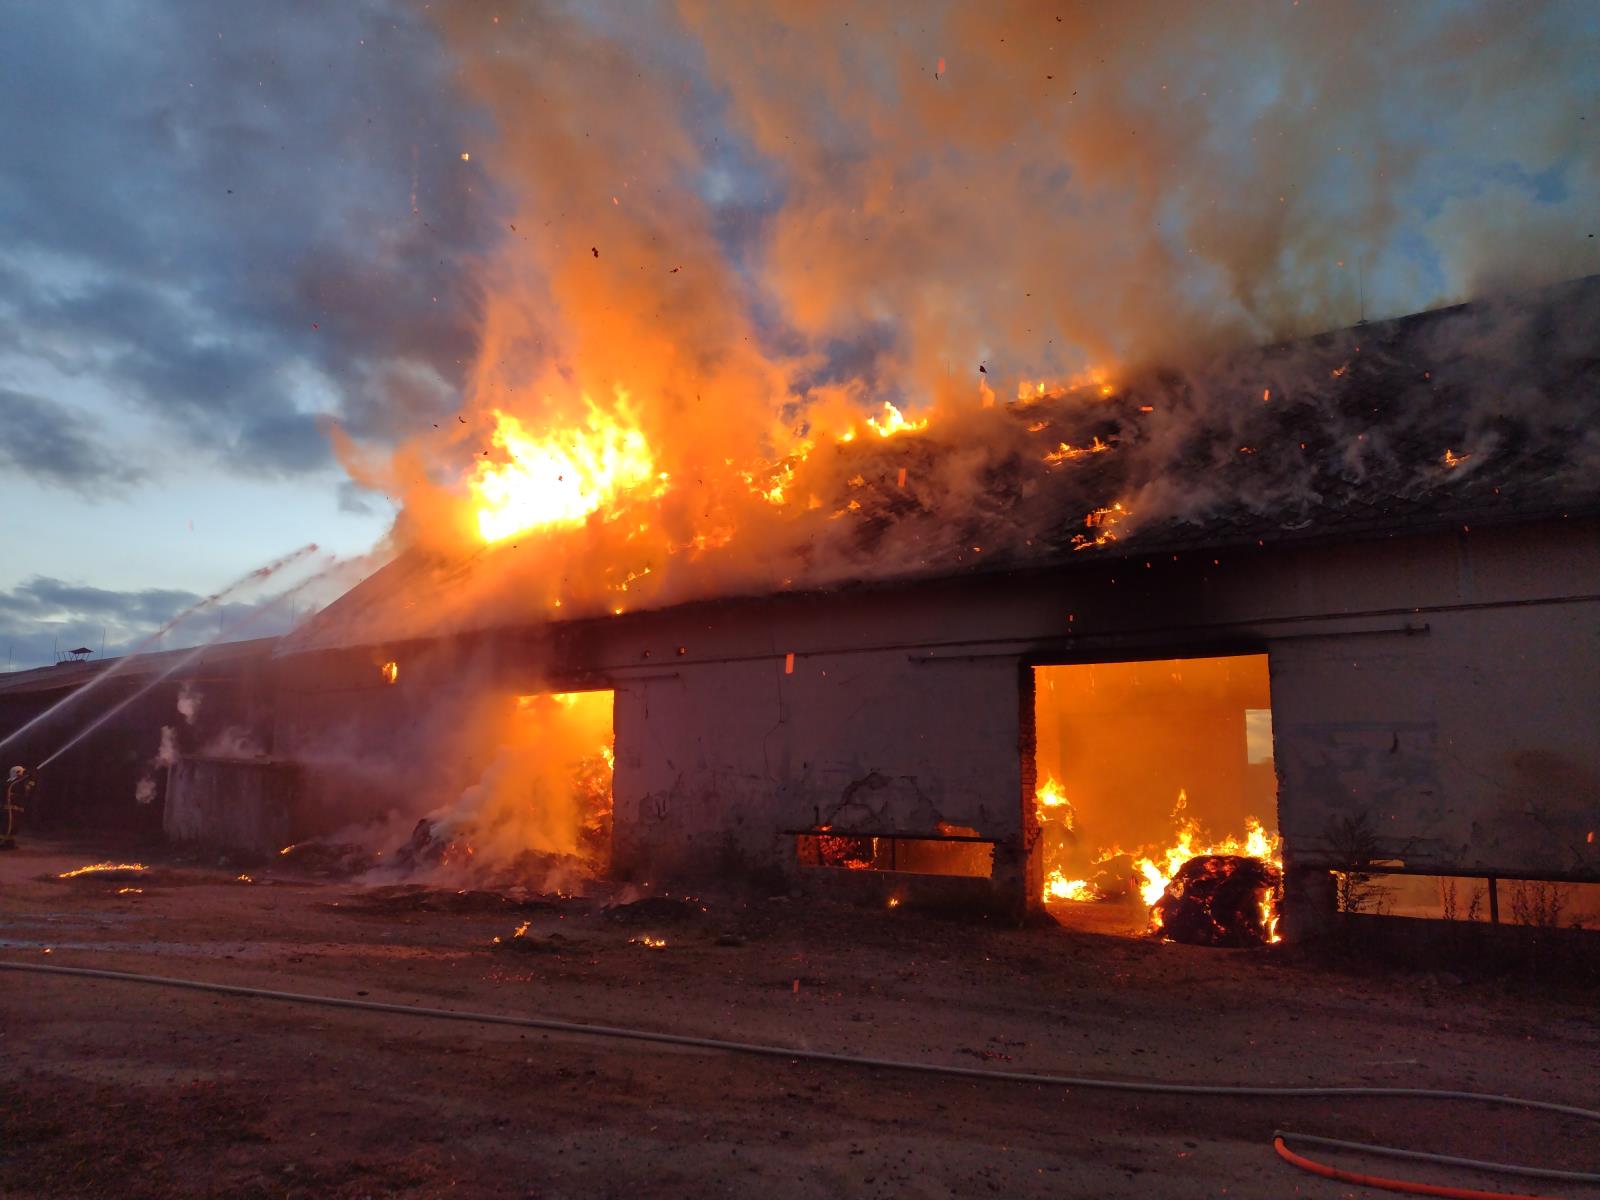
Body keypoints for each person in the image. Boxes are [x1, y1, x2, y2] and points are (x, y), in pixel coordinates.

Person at [2, 765, 34, 850]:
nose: (23, 774)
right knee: (6, 827)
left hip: (16, 810)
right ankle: (1, 843)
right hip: (8, 810)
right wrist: (31, 780)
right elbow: (26, 789)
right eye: (22, 772)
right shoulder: (11, 783)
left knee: (14, 827)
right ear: (17, 773)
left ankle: (9, 843)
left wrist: (31, 780)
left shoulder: (17, 783)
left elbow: (27, 791)